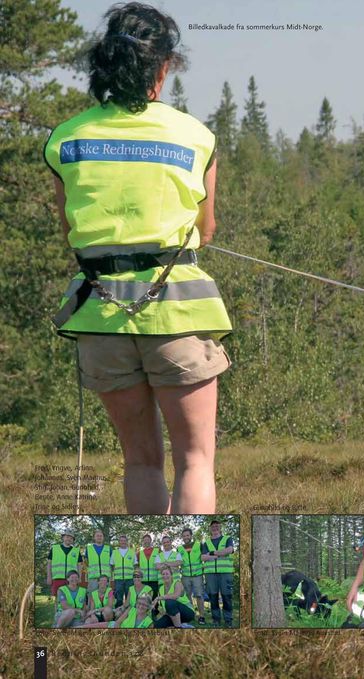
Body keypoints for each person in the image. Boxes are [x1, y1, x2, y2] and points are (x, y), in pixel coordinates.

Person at [43, 1, 232, 515]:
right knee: (195, 460)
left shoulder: (67, 138)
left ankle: (150, 581)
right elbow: (206, 230)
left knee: (141, 462)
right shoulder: (195, 136)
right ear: (163, 66)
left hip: (100, 315)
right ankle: (193, 583)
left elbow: (70, 231)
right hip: (178, 311)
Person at [201, 520, 234, 627]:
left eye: (217, 526)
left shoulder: (227, 539)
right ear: (210, 529)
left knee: (227, 597)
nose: (215, 528)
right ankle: (216, 619)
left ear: (220, 527)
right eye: (213, 526)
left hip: (225, 573)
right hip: (210, 574)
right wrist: (219, 554)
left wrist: (212, 553)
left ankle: (228, 620)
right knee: (213, 597)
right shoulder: (206, 543)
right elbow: (203, 557)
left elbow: (229, 550)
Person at [178, 527, 206, 624]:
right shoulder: (179, 548)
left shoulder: (199, 545)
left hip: (197, 575)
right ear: (182, 537)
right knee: (187, 596)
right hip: (185, 576)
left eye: (187, 535)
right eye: (184, 536)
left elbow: (204, 557)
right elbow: (178, 562)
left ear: (191, 536)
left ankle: (201, 616)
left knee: (199, 596)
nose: (186, 537)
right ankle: (191, 615)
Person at [47, 531, 81, 601]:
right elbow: (49, 564)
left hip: (72, 580)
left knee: (71, 598)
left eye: (71, 538)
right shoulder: (55, 549)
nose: (69, 539)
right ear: (63, 537)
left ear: (73, 540)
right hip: (57, 578)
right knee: (58, 599)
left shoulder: (76, 551)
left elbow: (79, 565)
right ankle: (57, 612)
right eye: (67, 536)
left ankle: (69, 611)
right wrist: (49, 577)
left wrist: (79, 578)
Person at [111, 534, 136, 604]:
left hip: (130, 579)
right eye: (121, 541)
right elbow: (112, 566)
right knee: (119, 598)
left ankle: (129, 613)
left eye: (124, 541)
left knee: (130, 597)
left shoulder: (132, 552)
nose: (123, 542)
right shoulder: (114, 552)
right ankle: (119, 613)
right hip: (118, 579)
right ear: (119, 542)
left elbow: (135, 566)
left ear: (127, 542)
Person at [138, 533, 159, 599]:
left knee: (154, 596)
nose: (146, 541)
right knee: (145, 597)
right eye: (145, 540)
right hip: (143, 580)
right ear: (143, 542)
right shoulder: (139, 553)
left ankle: (155, 609)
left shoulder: (157, 551)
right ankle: (146, 609)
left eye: (148, 540)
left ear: (151, 540)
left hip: (155, 579)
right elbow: (136, 566)